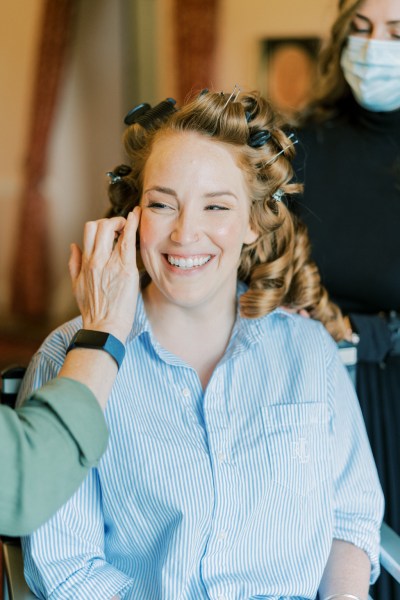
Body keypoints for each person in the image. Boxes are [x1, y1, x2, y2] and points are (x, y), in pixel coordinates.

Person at [18, 90, 383, 600]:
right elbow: (65, 567)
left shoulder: (307, 350)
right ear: (134, 216)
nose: (185, 233)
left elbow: (350, 516)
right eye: (163, 204)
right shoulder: (70, 358)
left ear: (254, 222)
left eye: (216, 205)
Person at [289, 0, 400, 597]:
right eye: (359, 29)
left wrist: (376, 332)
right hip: (313, 394)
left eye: (396, 32)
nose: (374, 47)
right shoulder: (301, 146)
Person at [0, 212, 139, 536]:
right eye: (162, 205)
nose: (185, 233)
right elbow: (26, 481)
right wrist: (103, 331)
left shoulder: (282, 339)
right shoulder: (61, 351)